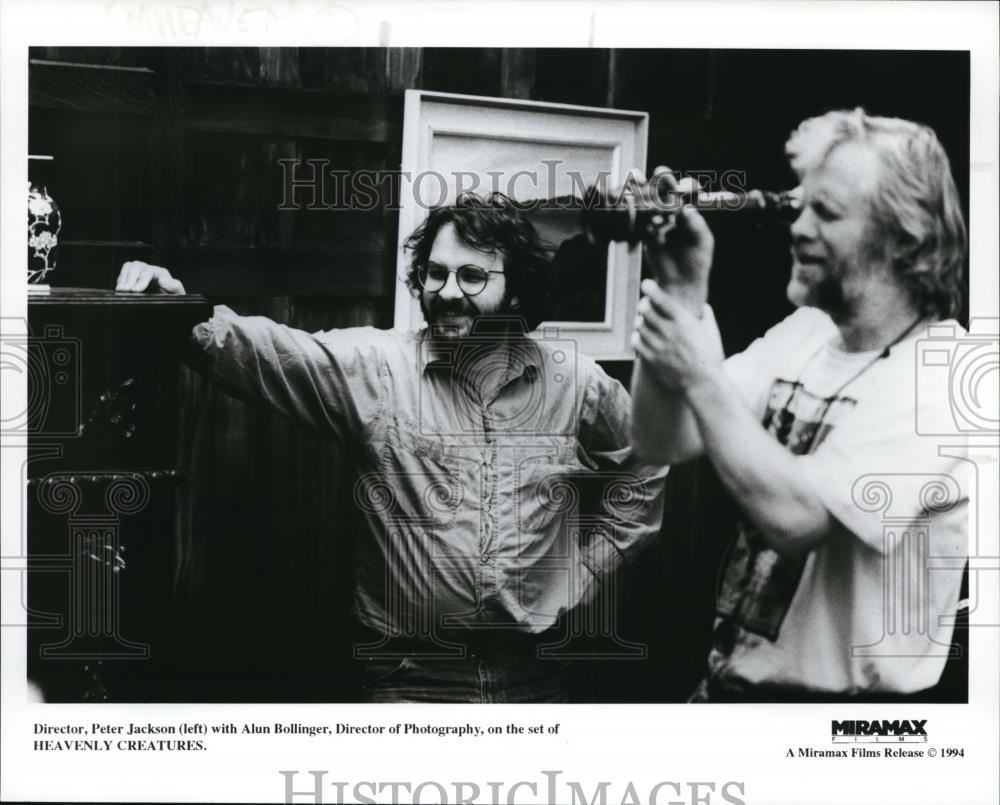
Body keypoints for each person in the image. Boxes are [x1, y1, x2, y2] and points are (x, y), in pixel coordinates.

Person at [117, 192, 666, 703]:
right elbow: (272, 352)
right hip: (412, 680)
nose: (448, 290)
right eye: (436, 272)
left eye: (473, 276)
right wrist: (179, 312)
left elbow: (645, 466)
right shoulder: (378, 369)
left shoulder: (577, 384)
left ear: (518, 290)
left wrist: (585, 574)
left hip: (538, 676)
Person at [630, 109, 969, 701]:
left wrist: (698, 373)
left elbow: (797, 519)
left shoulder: (946, 380)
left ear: (903, 238)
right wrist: (681, 292)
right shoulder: (806, 333)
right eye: (799, 205)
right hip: (730, 695)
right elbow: (665, 439)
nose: (797, 228)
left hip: (846, 733)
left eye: (827, 213)